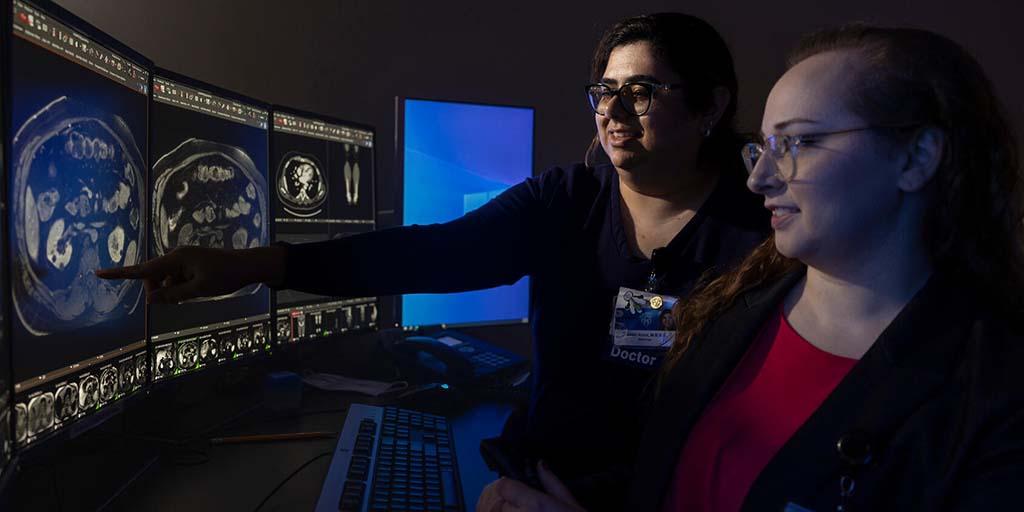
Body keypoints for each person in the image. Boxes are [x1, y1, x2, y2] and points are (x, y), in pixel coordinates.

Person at [98, 13, 769, 507]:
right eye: (604, 91)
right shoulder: (567, 201)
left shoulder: (766, 236)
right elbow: (430, 254)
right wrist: (251, 266)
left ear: (711, 104)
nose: (614, 110)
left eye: (643, 91)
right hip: (525, 484)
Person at [480, 23, 1024, 511]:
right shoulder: (735, 306)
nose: (760, 178)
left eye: (797, 143)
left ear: (916, 157)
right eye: (763, 148)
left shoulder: (992, 400)